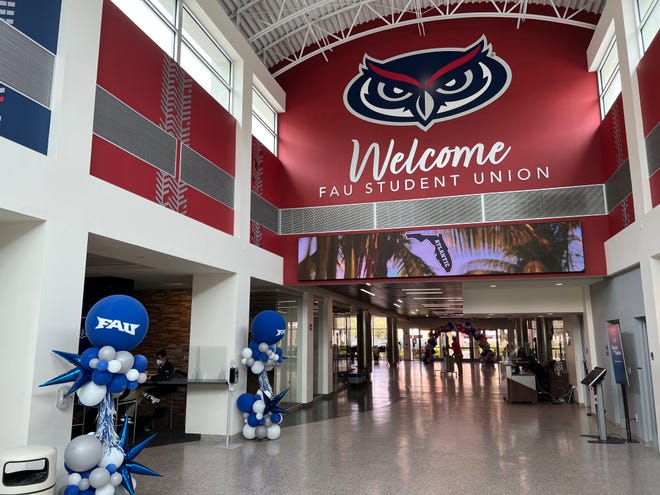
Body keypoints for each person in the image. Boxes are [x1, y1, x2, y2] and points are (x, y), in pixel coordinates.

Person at [120, 350, 174, 429]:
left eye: (159, 358)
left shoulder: (168, 365)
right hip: (124, 394)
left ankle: (149, 397)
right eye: (157, 358)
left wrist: (152, 377)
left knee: (140, 391)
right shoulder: (161, 366)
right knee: (140, 392)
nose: (158, 360)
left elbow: (164, 376)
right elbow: (160, 375)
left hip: (165, 387)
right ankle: (149, 397)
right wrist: (151, 376)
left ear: (164, 358)